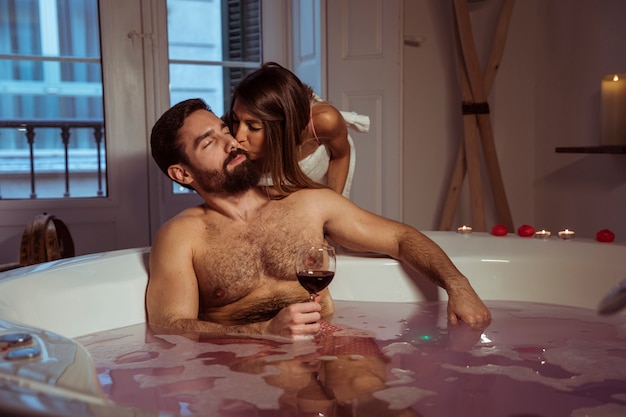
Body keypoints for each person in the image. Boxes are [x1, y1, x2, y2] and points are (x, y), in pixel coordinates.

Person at [147, 98, 491, 339]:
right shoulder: (181, 236)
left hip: (330, 344)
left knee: (375, 393)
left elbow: (401, 238)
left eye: (225, 130)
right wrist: (262, 332)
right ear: (182, 173)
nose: (232, 142)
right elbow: (171, 326)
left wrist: (459, 286)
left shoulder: (307, 204)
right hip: (243, 362)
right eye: (210, 143)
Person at [227, 62, 369, 198]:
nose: (238, 136)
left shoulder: (325, 121)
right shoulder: (225, 130)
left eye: (253, 127)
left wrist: (334, 206)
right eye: (235, 120)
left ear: (284, 127)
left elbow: (341, 156)